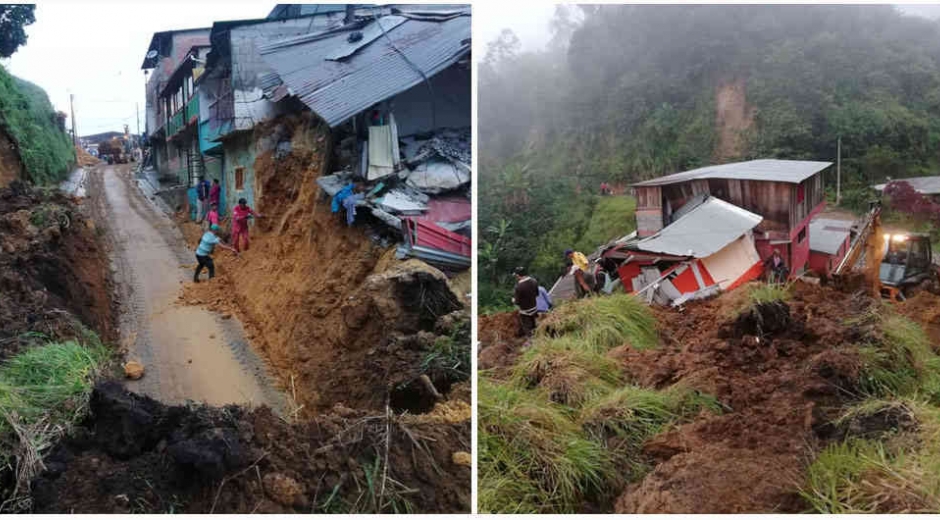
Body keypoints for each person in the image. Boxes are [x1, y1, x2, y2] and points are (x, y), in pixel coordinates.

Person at [512, 267, 539, 336]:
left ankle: (531, 341)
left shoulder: (518, 287)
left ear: (518, 275)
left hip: (525, 312)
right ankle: (538, 335)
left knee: (527, 327)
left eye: (516, 275)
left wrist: (513, 300)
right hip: (534, 308)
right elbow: (537, 294)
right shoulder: (534, 281)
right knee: (534, 324)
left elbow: (517, 302)